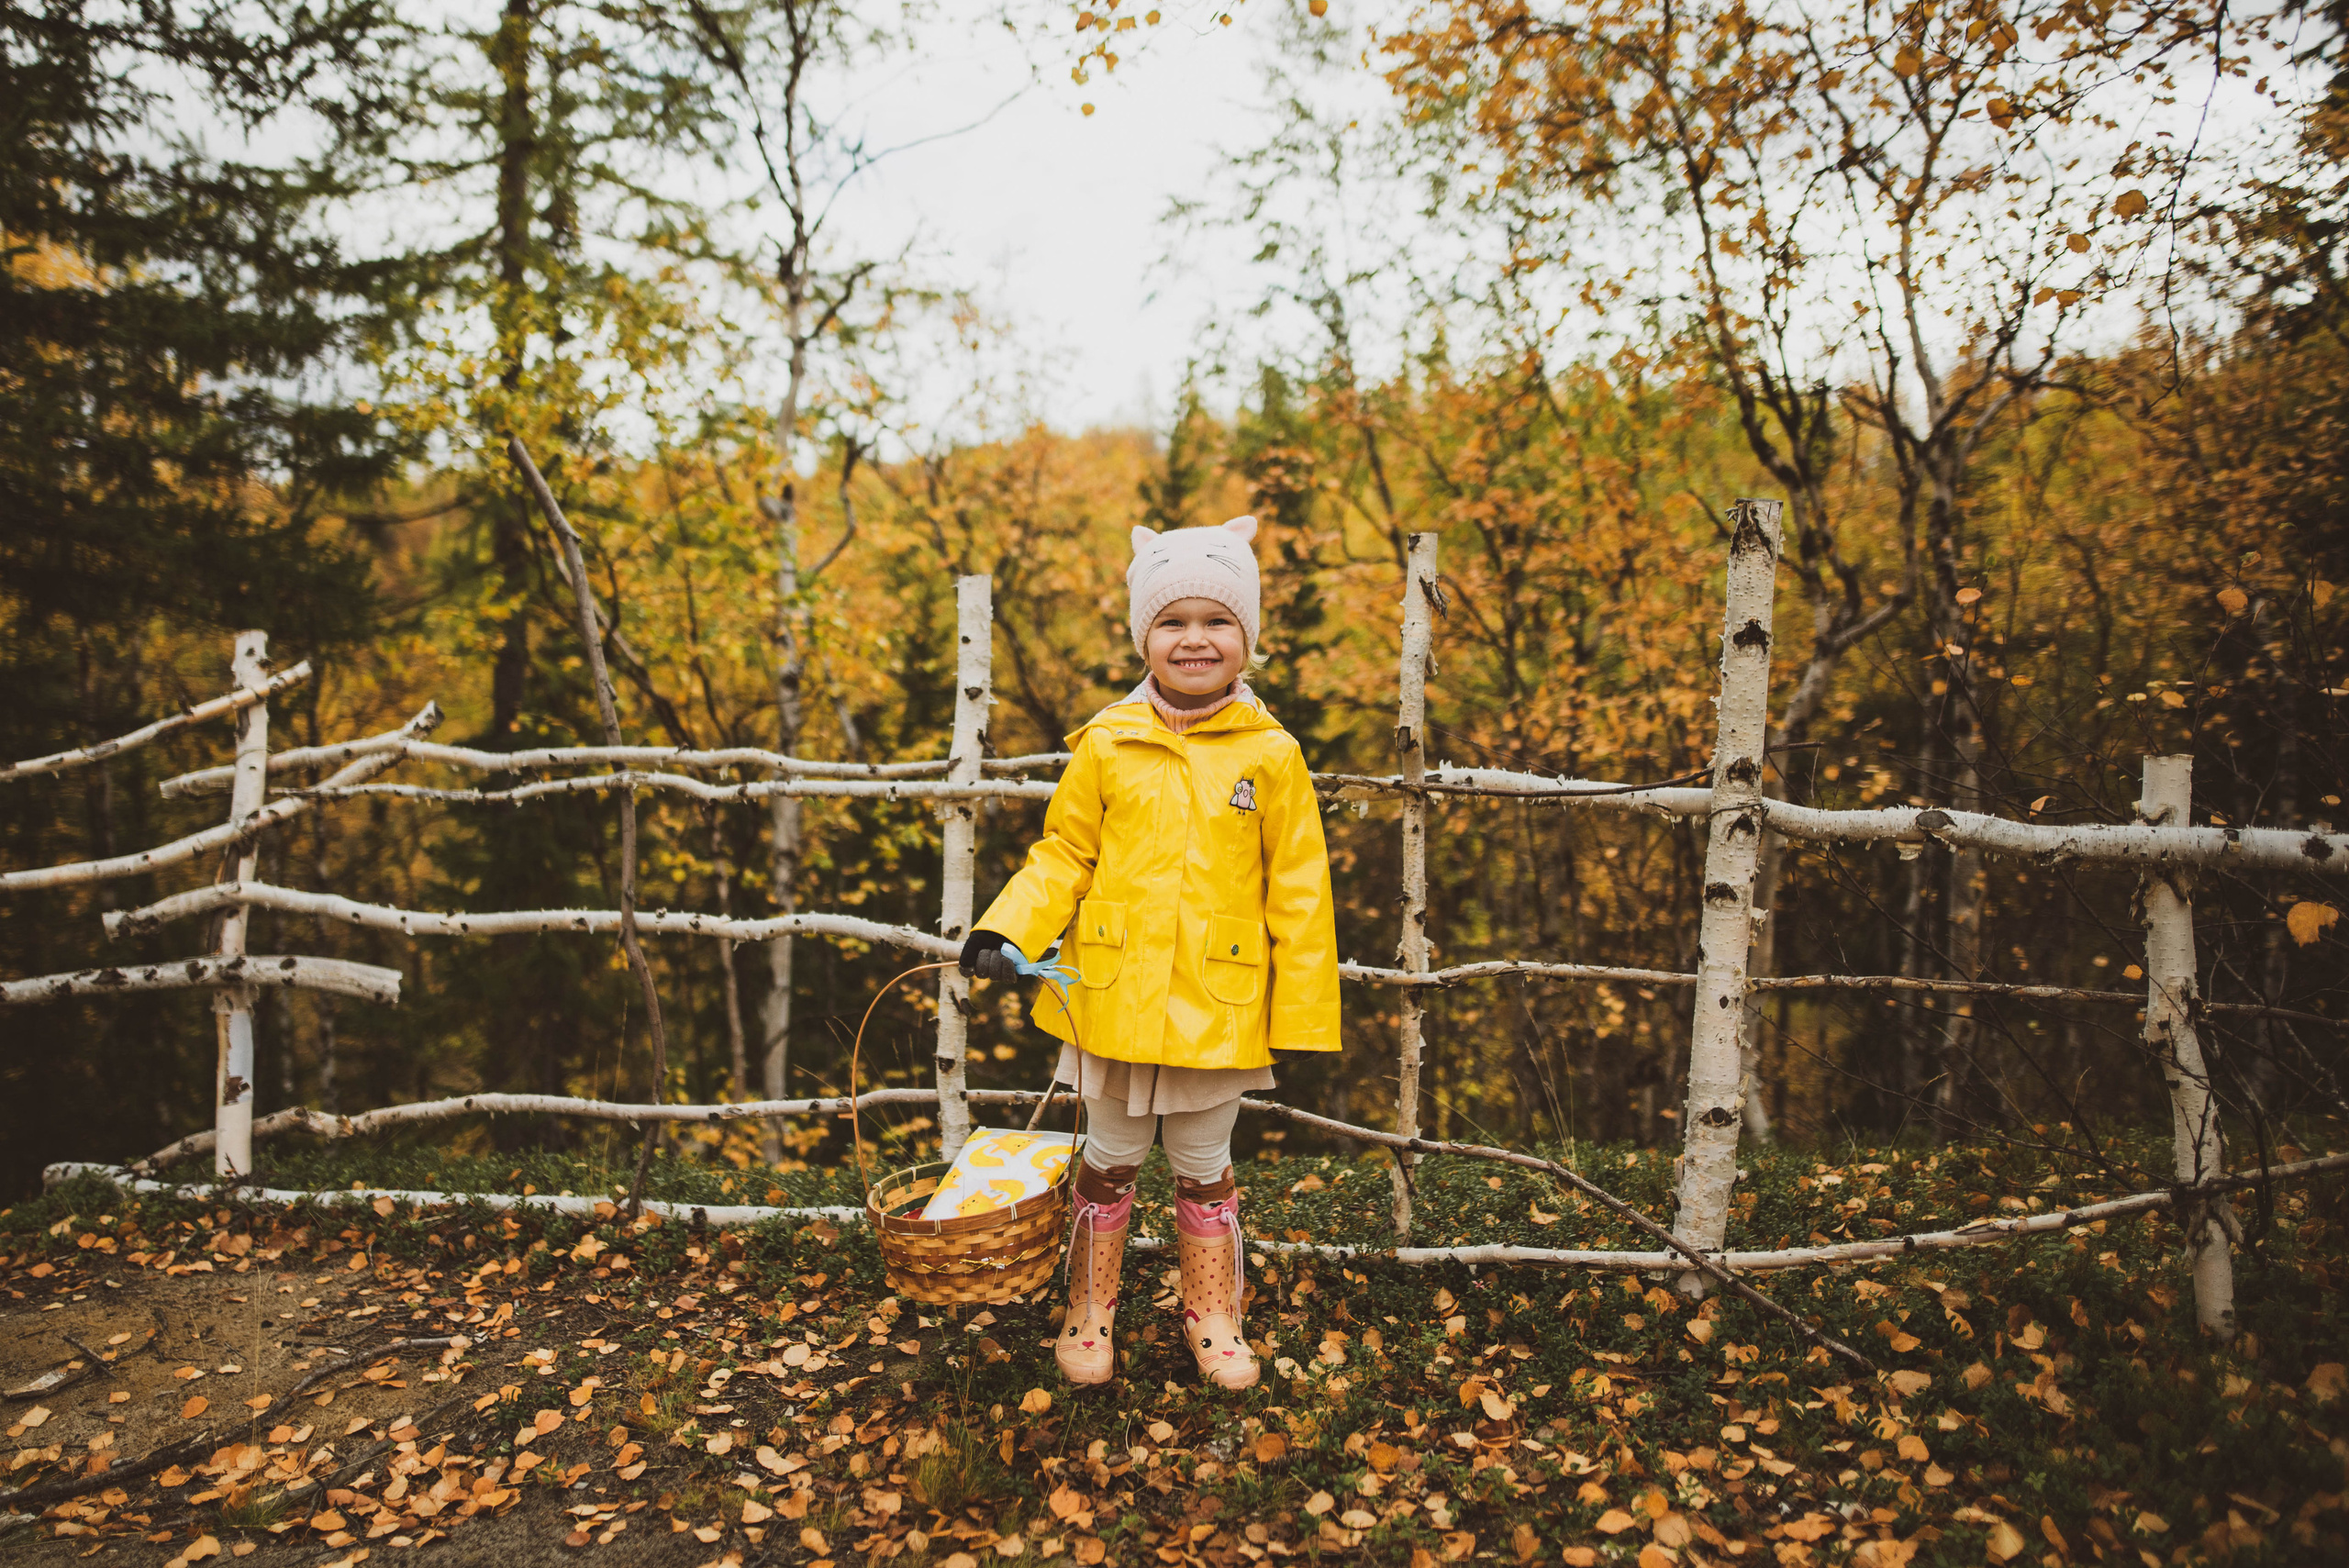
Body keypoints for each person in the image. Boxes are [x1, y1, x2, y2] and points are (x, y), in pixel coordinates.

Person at [959, 515, 1341, 1391]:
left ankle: (1214, 1311)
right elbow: (1064, 853)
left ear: (1247, 637)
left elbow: (1300, 887)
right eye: (1173, 621)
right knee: (1111, 1154)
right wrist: (1008, 926)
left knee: (1204, 1165)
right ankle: (1089, 1306)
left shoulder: (1272, 754)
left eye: (1217, 620)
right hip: (1113, 993)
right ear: (1144, 637)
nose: (1195, 638)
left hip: (1219, 1002)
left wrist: (1304, 1017)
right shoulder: (1106, 743)